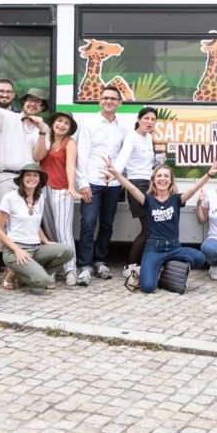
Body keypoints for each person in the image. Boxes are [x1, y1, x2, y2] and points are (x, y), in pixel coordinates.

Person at [0, 72, 48, 270]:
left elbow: (39, 156)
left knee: (24, 219)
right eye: (30, 100)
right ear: (24, 103)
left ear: (42, 108)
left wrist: (41, 131)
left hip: (28, 179)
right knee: (2, 220)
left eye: (38, 103)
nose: (33, 104)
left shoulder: (44, 127)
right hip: (4, 176)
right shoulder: (8, 117)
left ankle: (18, 262)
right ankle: (8, 263)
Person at [107, 160, 217, 294]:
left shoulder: (176, 200)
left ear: (171, 181)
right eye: (159, 176)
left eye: (166, 176)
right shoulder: (147, 200)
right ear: (153, 180)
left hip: (174, 248)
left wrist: (209, 174)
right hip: (154, 249)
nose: (162, 179)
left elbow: (193, 189)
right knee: (147, 287)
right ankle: (154, 271)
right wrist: (116, 174)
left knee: (200, 258)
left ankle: (169, 268)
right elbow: (132, 188)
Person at [74, 84, 128, 286]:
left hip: (113, 184)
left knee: (107, 224)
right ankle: (85, 265)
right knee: (88, 223)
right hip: (92, 183)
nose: (109, 101)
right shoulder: (88, 124)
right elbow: (82, 155)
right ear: (100, 101)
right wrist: (83, 183)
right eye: (105, 98)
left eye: (113, 99)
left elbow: (123, 157)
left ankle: (99, 261)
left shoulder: (123, 128)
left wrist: (119, 178)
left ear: (119, 103)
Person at [0, 163, 73, 291]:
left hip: (36, 248)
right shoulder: (9, 198)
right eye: (28, 175)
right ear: (22, 179)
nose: (32, 178)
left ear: (39, 180)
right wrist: (16, 250)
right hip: (15, 249)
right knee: (43, 282)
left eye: (35, 175)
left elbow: (35, 225)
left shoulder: (40, 198)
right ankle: (13, 273)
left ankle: (26, 272)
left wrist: (46, 241)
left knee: (67, 251)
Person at [116, 107, 160, 286]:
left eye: (153, 119)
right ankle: (129, 265)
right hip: (135, 186)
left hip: (149, 185)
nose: (150, 122)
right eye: (146, 118)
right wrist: (114, 173)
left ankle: (142, 263)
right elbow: (122, 159)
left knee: (152, 228)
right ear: (139, 119)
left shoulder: (149, 138)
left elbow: (147, 163)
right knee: (148, 228)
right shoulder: (131, 137)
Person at [40, 111, 81, 285]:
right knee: (50, 232)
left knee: (63, 232)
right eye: (59, 121)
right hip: (43, 190)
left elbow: (71, 166)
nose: (62, 125)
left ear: (70, 128)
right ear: (53, 123)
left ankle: (71, 269)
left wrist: (71, 187)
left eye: (66, 123)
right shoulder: (47, 140)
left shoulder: (69, 143)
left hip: (61, 190)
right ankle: (55, 266)